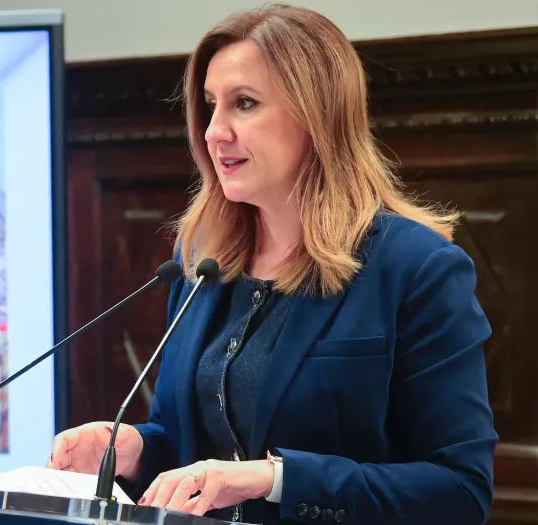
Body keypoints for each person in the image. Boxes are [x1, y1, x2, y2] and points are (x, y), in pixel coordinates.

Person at [47, 4, 497, 524]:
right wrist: (135, 449)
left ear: (317, 116)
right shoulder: (200, 262)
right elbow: (190, 447)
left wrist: (274, 478)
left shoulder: (417, 268)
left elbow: (461, 491)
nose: (214, 131)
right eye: (211, 105)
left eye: (244, 103)